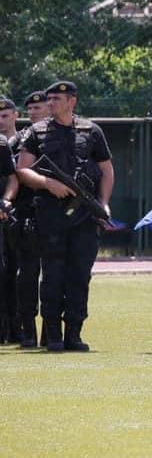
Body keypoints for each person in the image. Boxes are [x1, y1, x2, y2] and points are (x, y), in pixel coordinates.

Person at [16, 81, 114, 352]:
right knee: (52, 275)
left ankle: (74, 333)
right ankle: (53, 335)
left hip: (84, 216)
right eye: (49, 99)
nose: (51, 103)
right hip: (50, 215)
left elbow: (106, 170)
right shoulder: (37, 132)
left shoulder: (91, 131)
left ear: (72, 101)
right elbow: (23, 170)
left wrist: (104, 204)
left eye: (56, 98)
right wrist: (49, 184)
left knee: (79, 275)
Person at [8, 91, 48, 347]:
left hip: (57, 213)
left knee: (56, 276)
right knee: (27, 275)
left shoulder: (67, 137)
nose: (34, 112)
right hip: (26, 214)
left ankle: (52, 330)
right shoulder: (19, 142)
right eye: (30, 109)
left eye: (39, 107)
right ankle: (27, 330)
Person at [0, 97, 21, 344]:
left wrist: (6, 200)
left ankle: (10, 328)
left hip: (8, 219)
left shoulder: (2, 145)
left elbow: (12, 179)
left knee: (7, 271)